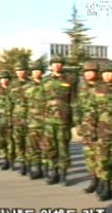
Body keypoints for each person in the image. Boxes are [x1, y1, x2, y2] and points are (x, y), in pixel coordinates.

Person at [89, 61, 112, 201]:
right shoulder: (96, 90)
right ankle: (105, 185)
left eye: (111, 73)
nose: (108, 75)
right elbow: (91, 112)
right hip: (102, 131)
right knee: (103, 160)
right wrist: (91, 129)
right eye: (105, 73)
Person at [43, 56, 76, 186]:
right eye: (54, 63)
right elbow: (40, 100)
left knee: (63, 147)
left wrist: (74, 119)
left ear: (62, 65)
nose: (56, 65)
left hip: (63, 119)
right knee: (50, 147)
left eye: (59, 63)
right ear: (51, 66)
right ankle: (54, 172)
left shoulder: (70, 80)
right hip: (48, 120)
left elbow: (73, 100)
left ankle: (63, 174)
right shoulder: (45, 81)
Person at [74, 61, 100, 193]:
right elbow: (77, 107)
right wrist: (78, 124)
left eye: (91, 71)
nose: (88, 74)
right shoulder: (82, 87)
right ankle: (94, 180)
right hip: (86, 128)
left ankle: (104, 182)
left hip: (102, 128)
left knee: (102, 156)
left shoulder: (102, 87)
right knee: (89, 156)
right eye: (86, 72)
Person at [24, 61, 46, 179]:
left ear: (42, 72)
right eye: (34, 71)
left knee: (46, 147)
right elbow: (23, 104)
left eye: (38, 71)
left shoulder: (47, 85)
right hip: (32, 122)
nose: (36, 73)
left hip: (45, 121)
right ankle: (36, 168)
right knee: (33, 147)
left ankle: (46, 169)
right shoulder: (26, 87)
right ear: (31, 73)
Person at [8, 63, 30, 175]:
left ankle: (29, 163)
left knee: (29, 142)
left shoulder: (31, 83)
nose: (21, 72)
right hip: (16, 118)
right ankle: (22, 162)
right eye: (18, 70)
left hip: (31, 118)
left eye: (23, 70)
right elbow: (9, 103)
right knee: (18, 141)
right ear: (15, 72)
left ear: (26, 71)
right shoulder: (12, 85)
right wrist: (9, 119)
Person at [0, 71, 13, 170]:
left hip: (12, 119)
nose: (4, 80)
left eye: (6, 78)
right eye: (2, 78)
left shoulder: (13, 90)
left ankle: (11, 159)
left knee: (11, 140)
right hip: (0, 119)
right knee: (1, 141)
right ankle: (4, 158)